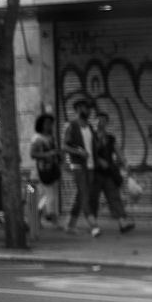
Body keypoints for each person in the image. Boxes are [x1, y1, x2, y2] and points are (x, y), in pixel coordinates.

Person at [89, 111, 135, 234]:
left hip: (108, 173)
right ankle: (94, 226)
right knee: (93, 199)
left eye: (103, 120)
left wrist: (126, 164)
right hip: (95, 173)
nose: (100, 122)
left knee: (115, 198)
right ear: (94, 121)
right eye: (98, 119)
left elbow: (118, 152)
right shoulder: (90, 137)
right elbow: (88, 154)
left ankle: (122, 224)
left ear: (107, 123)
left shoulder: (110, 138)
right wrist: (98, 160)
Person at [62, 99, 98, 236]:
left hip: (91, 166)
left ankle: (70, 225)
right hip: (78, 165)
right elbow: (64, 146)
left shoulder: (89, 127)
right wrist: (79, 152)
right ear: (78, 109)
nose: (89, 110)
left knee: (80, 195)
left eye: (89, 108)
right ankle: (93, 225)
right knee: (84, 195)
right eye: (86, 108)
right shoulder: (71, 126)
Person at [30, 115, 62, 227]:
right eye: (47, 123)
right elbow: (33, 154)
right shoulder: (37, 138)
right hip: (42, 171)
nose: (49, 126)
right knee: (49, 196)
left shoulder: (50, 137)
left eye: (50, 123)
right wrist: (48, 154)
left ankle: (38, 218)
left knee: (47, 196)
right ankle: (50, 218)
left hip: (52, 170)